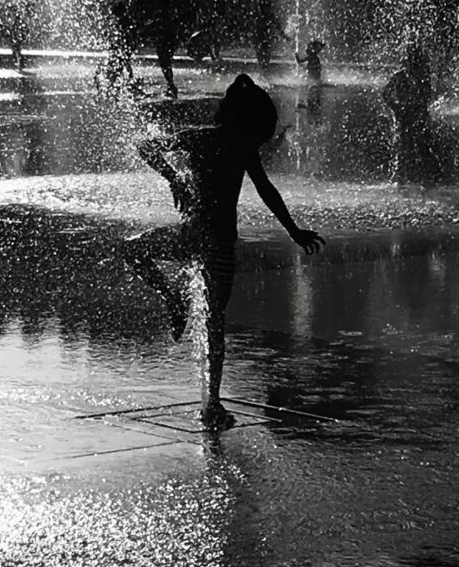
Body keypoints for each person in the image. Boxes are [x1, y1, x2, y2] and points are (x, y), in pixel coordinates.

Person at [122, 73, 325, 430]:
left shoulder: (201, 138)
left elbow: (145, 147)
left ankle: (173, 300)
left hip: (194, 237)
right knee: (214, 322)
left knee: (133, 251)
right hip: (214, 244)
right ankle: (211, 402)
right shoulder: (240, 148)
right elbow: (267, 192)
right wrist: (293, 231)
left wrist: (174, 177)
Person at [381, 42, 440, 184]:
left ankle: (419, 178)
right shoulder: (400, 76)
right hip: (406, 116)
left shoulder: (422, 78)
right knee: (404, 147)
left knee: (418, 147)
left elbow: (427, 97)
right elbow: (385, 94)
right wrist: (396, 108)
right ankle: (400, 179)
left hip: (416, 116)